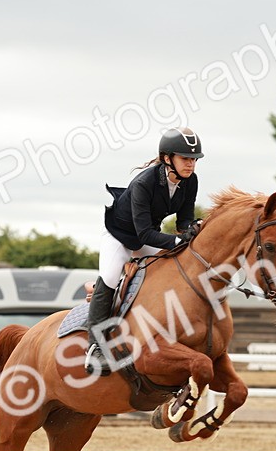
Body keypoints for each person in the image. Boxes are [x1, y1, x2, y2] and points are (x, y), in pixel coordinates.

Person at [85, 127, 204, 375]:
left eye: (193, 159)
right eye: (185, 158)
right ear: (167, 158)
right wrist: (177, 241)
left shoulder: (190, 181)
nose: (190, 164)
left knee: (174, 267)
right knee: (109, 276)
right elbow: (143, 235)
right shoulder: (144, 183)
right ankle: (95, 346)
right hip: (120, 236)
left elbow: (184, 222)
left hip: (148, 234)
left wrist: (194, 229)